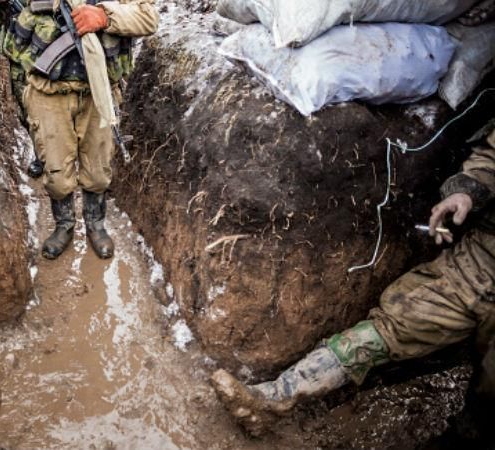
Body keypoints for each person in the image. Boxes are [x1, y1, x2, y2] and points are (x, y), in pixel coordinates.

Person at [211, 119, 495, 436]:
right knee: (391, 326)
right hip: (479, 263)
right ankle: (272, 400)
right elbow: (490, 158)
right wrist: (465, 192)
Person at [0, 0, 159, 260]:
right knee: (57, 172)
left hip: (99, 92)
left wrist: (105, 17)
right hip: (47, 92)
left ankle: (96, 224)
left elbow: (149, 18)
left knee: (98, 171)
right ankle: (64, 225)